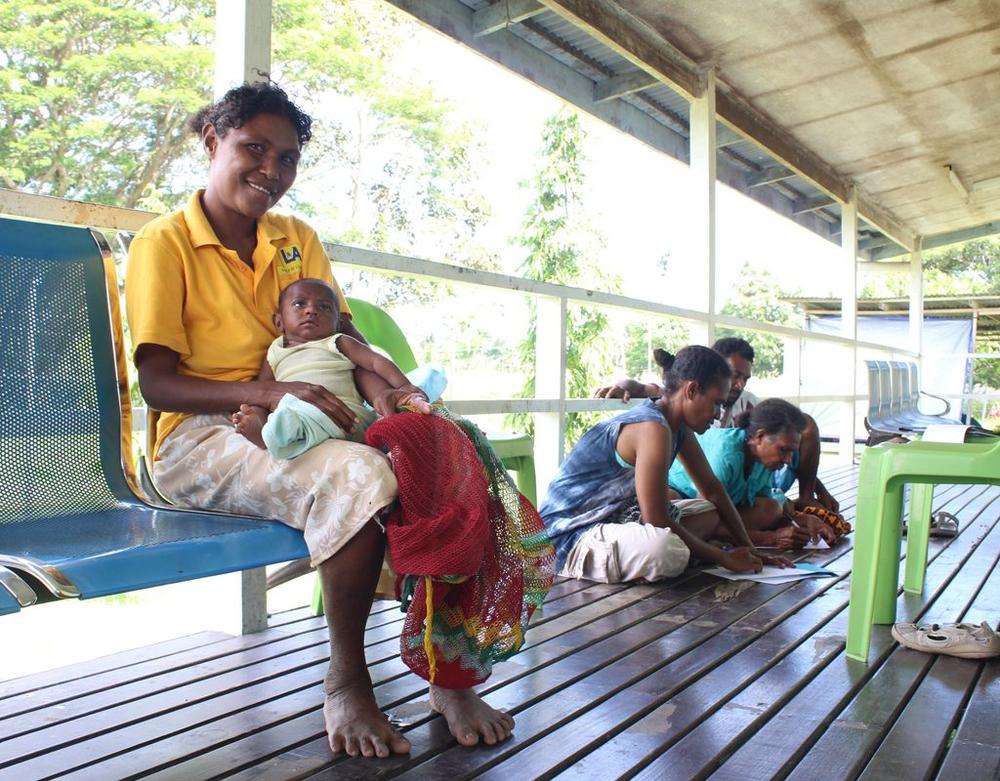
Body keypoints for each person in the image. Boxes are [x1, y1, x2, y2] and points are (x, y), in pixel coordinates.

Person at [124, 83, 512, 759]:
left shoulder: (296, 238)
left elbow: (347, 338)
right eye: (253, 149)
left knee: (439, 449)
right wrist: (274, 394)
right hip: (198, 438)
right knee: (357, 473)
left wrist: (387, 393)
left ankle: (447, 668)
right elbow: (157, 383)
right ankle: (347, 679)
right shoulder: (166, 243)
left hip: (310, 418)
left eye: (287, 158)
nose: (270, 171)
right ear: (213, 140)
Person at [540, 346, 793, 583]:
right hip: (569, 536)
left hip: (616, 519)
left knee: (710, 512)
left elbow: (713, 489)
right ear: (692, 391)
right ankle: (677, 555)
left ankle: (670, 554)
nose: (718, 414)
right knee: (666, 549)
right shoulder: (652, 427)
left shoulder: (677, 427)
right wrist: (725, 558)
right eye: (716, 403)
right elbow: (657, 519)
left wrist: (749, 549)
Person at [595, 336, 839, 512]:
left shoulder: (749, 403)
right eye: (734, 375)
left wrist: (817, 487)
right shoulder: (678, 406)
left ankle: (804, 500)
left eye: (745, 378)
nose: (739, 384)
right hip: (699, 484)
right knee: (674, 504)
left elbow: (779, 444)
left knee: (805, 425)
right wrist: (623, 387)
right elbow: (647, 388)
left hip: (746, 481)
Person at [231, 277, 429, 454]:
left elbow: (376, 362)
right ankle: (268, 433)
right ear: (279, 322)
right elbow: (263, 390)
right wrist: (257, 417)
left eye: (324, 307)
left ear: (337, 322)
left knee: (291, 415)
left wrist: (404, 386)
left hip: (346, 414)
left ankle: (274, 437)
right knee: (286, 410)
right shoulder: (274, 351)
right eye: (299, 304)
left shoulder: (338, 342)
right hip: (298, 411)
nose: (311, 310)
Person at [668, 398, 837, 549]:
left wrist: (805, 521)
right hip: (687, 503)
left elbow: (763, 504)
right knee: (692, 513)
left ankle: (722, 537)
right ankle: (716, 539)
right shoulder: (726, 454)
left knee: (772, 509)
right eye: (784, 450)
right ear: (760, 436)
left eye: (792, 452)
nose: (788, 460)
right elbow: (705, 517)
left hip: (719, 509)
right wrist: (770, 538)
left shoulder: (763, 461)